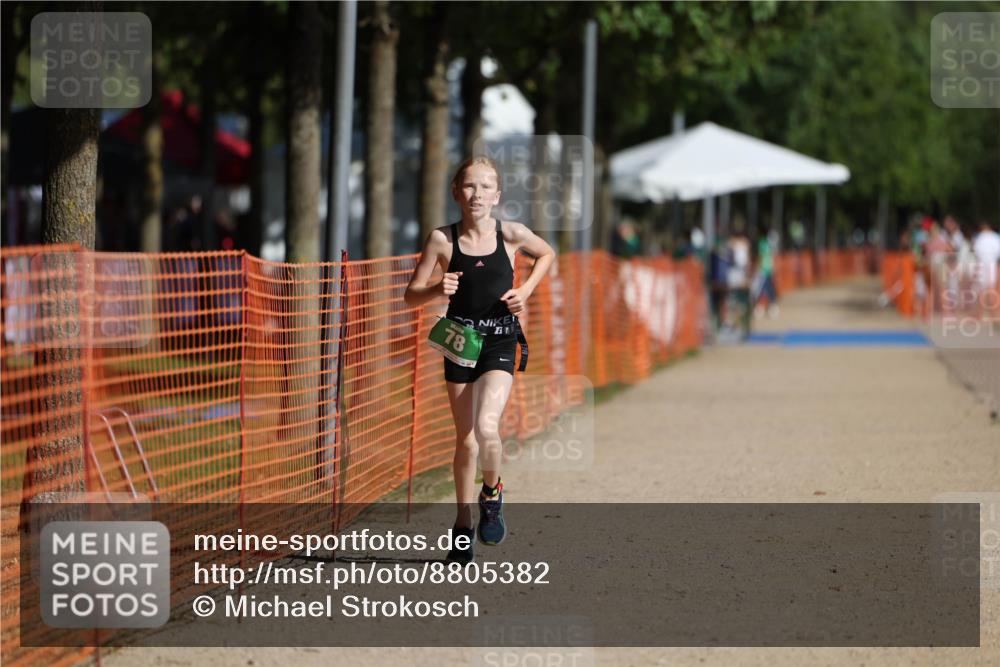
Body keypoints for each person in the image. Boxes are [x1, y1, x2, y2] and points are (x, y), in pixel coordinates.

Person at [403, 157, 555, 564]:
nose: (478, 194)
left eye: (486, 187)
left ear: (497, 195)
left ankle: (491, 494)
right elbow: (410, 296)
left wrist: (526, 289)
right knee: (466, 440)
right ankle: (463, 521)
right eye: (470, 186)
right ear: (456, 192)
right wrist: (437, 288)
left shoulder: (512, 234)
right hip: (460, 341)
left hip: (500, 340)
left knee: (488, 425)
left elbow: (547, 254)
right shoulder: (442, 240)